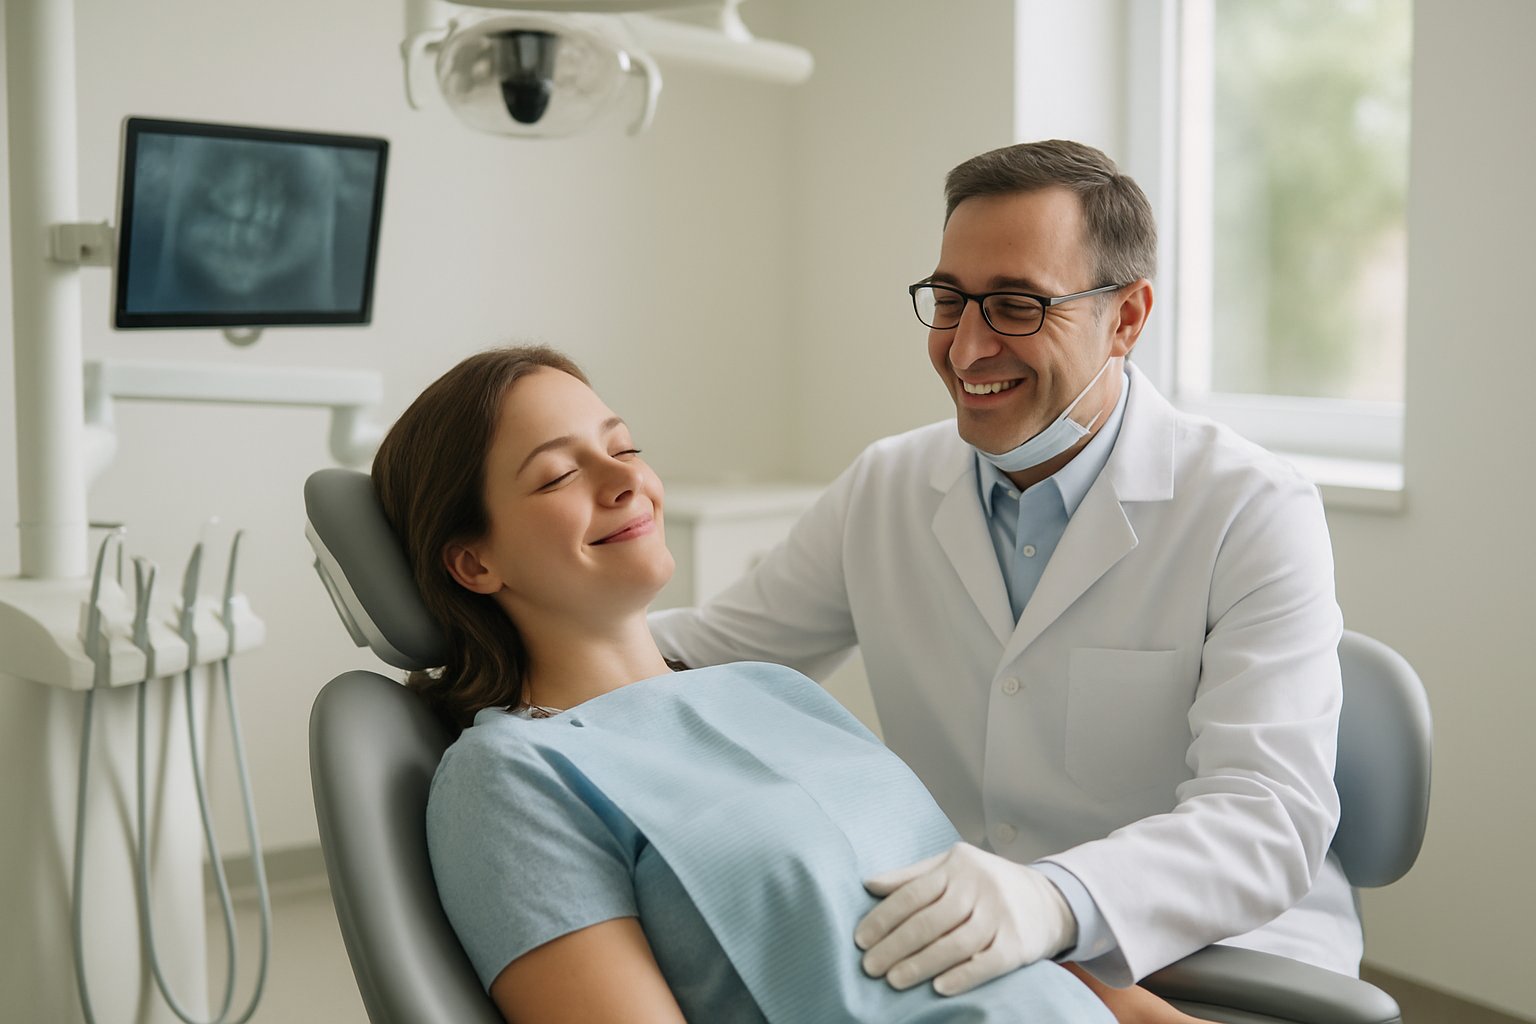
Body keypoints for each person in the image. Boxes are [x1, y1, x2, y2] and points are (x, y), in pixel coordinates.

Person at [649, 139, 1360, 993]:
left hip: (1208, 953)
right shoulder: (887, 485)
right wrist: (476, 645)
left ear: (1127, 317)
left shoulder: (1251, 508)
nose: (966, 348)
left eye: (1017, 305)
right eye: (950, 300)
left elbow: (1266, 818)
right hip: (971, 950)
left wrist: (1053, 898)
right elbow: (706, 653)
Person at [370, 345, 1209, 1023]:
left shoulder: (770, 692)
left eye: (625, 448)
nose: (625, 480)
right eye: (557, 475)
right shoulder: (511, 776)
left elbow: (986, 926)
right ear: (473, 561)